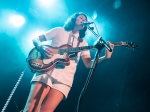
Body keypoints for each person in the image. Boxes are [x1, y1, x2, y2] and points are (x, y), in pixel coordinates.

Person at [23, 12, 114, 112]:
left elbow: (88, 63)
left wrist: (105, 57)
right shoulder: (59, 30)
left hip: (65, 80)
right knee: (31, 108)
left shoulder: (83, 43)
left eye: (85, 19)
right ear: (74, 19)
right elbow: (36, 39)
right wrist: (41, 48)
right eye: (81, 17)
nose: (83, 19)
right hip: (47, 70)